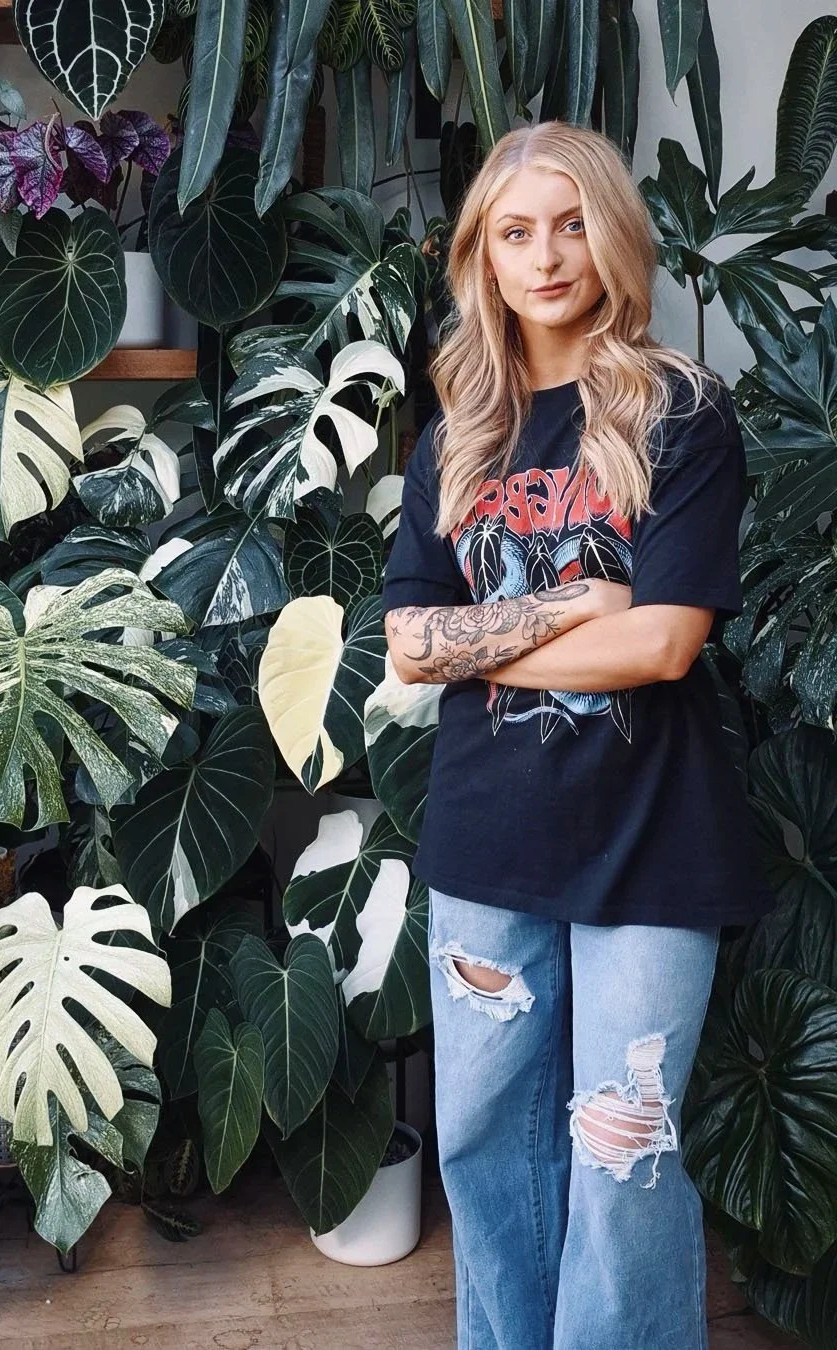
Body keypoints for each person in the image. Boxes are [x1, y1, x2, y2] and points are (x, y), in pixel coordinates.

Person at [380, 121, 777, 1350]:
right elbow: (404, 644)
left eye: (569, 224)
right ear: (481, 259)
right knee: (483, 1146)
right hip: (490, 842)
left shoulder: (681, 414)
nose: (545, 256)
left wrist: (481, 634)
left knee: (624, 1159)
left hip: (654, 847)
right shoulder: (454, 444)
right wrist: (574, 605)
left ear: (609, 237)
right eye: (514, 232)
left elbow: (663, 645)